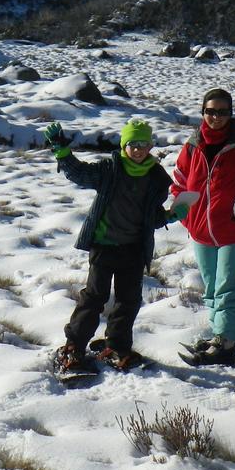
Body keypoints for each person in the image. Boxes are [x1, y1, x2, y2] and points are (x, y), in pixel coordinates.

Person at [42, 117, 175, 372]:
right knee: (95, 297)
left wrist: (170, 215)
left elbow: (151, 217)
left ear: (150, 146)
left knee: (129, 300)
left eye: (143, 143)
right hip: (104, 246)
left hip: (134, 248)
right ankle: (74, 346)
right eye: (132, 143)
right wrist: (62, 152)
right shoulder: (109, 169)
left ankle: (117, 345)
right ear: (124, 144)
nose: (137, 149)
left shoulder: (157, 178)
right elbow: (80, 173)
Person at [172, 88, 235, 366]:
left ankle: (225, 343)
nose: (216, 117)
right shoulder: (192, 145)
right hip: (201, 230)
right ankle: (221, 336)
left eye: (223, 112)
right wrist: (186, 217)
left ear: (231, 113)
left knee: (229, 288)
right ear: (203, 112)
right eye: (211, 111)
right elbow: (179, 181)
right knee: (212, 288)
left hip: (233, 231)